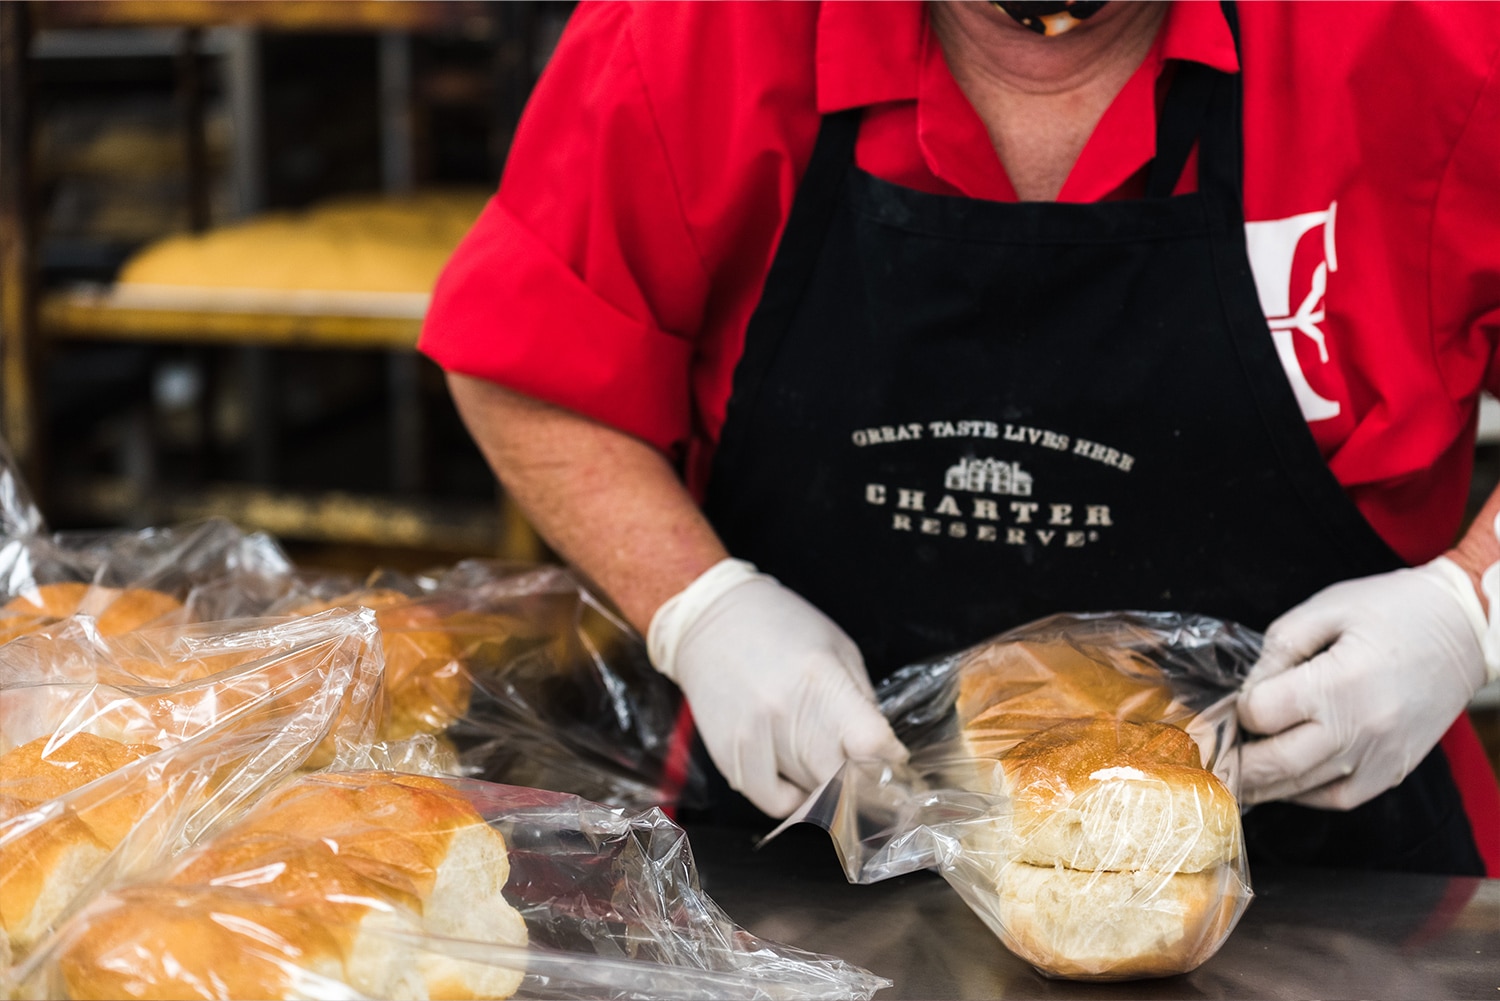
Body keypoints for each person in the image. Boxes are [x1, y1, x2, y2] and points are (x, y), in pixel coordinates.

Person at [420, 0, 1500, 875]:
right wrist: (704, 608)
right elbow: (528, 366)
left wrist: (1470, 608)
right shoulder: (700, 33)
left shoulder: (1434, 36)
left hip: (1341, 878)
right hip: (798, 850)